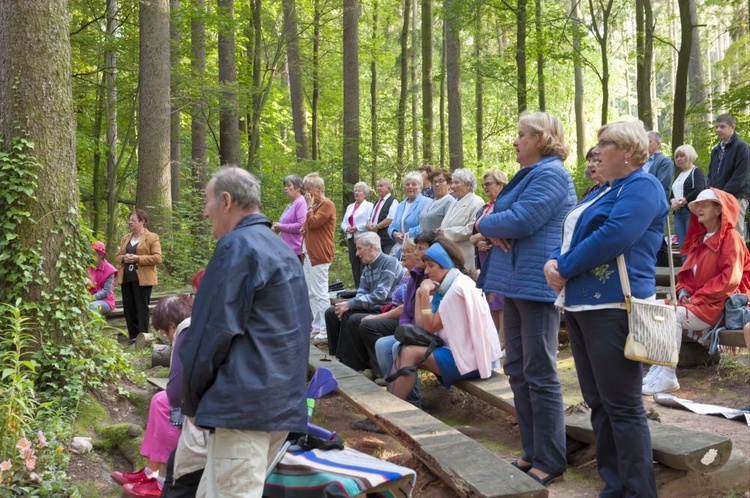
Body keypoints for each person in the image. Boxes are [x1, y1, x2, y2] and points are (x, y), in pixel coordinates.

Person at [545, 119, 664, 497]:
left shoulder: (643, 186)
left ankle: (637, 491)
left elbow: (613, 237)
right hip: (581, 307)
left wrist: (562, 267)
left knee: (623, 405)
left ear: (628, 150)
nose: (597, 151)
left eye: (604, 144)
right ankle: (613, 486)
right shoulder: (603, 190)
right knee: (598, 402)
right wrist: (552, 261)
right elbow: (573, 232)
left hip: (616, 307)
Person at [180, 167, 310, 497]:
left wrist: (190, 401)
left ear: (226, 201)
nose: (204, 211)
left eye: (208, 202)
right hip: (278, 407)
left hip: (243, 411)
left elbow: (211, 332)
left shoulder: (237, 248)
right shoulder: (281, 250)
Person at [477, 111, 575, 486]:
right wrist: (487, 220)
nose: (515, 141)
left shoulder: (551, 174)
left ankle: (550, 458)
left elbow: (519, 221)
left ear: (541, 138)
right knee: (517, 367)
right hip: (515, 281)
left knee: (540, 371)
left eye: (522, 135)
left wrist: (488, 222)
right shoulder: (531, 174)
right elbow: (491, 213)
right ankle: (532, 450)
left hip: (536, 284)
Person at [643, 188, 750, 395]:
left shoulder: (731, 238)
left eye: (704, 204)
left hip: (717, 306)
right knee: (650, 309)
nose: (698, 208)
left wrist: (697, 297)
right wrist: (682, 294)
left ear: (719, 209)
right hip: (695, 303)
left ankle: (667, 374)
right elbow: (686, 277)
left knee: (670, 315)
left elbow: (730, 280)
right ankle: (658, 366)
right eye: (697, 205)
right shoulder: (699, 240)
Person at [387, 238, 502, 401]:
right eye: (427, 266)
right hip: (463, 353)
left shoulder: (456, 290)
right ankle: (385, 410)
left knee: (409, 352)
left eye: (431, 266)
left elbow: (429, 327)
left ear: (446, 265)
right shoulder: (451, 284)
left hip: (471, 360)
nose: (427, 271)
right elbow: (421, 325)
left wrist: (425, 294)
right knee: (404, 348)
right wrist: (421, 292)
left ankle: (389, 411)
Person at [113, 295, 194, 497]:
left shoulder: (186, 330)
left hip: (207, 401)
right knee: (160, 400)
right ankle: (150, 471)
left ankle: (162, 482)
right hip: (200, 392)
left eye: (164, 333)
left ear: (171, 326)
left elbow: (176, 390)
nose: (166, 338)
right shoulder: (194, 326)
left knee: (171, 407)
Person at [325, 232, 406, 356]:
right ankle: (335, 356)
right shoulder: (368, 267)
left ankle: (350, 361)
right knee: (332, 313)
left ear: (371, 247)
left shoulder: (389, 262)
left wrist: (350, 304)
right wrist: (349, 305)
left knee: (351, 317)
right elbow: (361, 293)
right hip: (372, 307)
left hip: (385, 308)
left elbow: (380, 294)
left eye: (359, 249)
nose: (357, 253)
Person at [470, 170, 508, 348]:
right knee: (490, 297)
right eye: (484, 184)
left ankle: (502, 340)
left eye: (489, 184)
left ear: (500, 184)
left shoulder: (505, 204)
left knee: (501, 297)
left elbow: (500, 228)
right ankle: (494, 339)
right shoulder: (485, 206)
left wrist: (479, 237)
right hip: (485, 256)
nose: (485, 188)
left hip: (500, 254)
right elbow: (475, 233)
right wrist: (478, 242)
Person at [115, 209, 162, 344]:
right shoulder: (126, 238)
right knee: (128, 307)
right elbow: (117, 257)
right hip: (126, 278)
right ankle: (133, 337)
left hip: (143, 279)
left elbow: (158, 258)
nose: (130, 223)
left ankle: (144, 337)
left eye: (133, 220)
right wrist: (125, 258)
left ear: (142, 222)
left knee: (141, 307)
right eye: (129, 220)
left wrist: (138, 258)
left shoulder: (152, 237)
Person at [302, 172, 337, 343]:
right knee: (310, 292)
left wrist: (308, 207)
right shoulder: (315, 205)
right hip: (309, 253)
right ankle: (316, 327)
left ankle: (325, 330)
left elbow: (314, 223)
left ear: (320, 188)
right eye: (306, 190)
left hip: (320, 254)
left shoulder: (327, 204)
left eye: (310, 190)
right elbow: (307, 225)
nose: (307, 194)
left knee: (320, 292)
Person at [706, 113, 750, 237]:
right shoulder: (716, 150)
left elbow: (740, 177)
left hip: (736, 196)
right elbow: (711, 175)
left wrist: (723, 195)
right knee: (718, 234)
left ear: (732, 127)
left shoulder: (742, 147)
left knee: (734, 233)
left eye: (722, 126)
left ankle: (737, 257)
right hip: (717, 198)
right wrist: (710, 192)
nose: (718, 130)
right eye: (716, 127)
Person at [437, 168, 486, 273]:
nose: (452, 186)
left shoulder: (477, 202)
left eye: (456, 183)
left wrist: (445, 232)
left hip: (465, 257)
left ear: (468, 185)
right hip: (449, 254)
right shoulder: (454, 202)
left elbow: (471, 229)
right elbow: (446, 223)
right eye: (452, 183)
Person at [669, 144, 706, 254]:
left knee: (692, 245)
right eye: (677, 157)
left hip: (690, 212)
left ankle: (695, 271)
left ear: (689, 156)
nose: (679, 159)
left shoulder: (696, 171)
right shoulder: (679, 175)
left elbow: (698, 189)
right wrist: (672, 201)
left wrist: (682, 201)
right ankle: (684, 270)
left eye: (682, 156)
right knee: (683, 247)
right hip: (678, 213)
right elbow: (672, 193)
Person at [388, 172, 431, 258]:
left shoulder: (427, 202)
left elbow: (425, 225)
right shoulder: (401, 205)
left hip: (415, 247)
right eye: (407, 184)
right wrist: (394, 234)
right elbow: (392, 225)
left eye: (414, 184)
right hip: (398, 248)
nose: (410, 187)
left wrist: (407, 235)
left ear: (420, 187)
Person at [341, 182, 374, 288]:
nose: (356, 193)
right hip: (351, 238)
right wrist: (347, 228)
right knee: (354, 264)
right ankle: (357, 289)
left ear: (365, 194)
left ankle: (365, 288)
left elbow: (369, 221)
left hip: (363, 237)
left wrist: (358, 227)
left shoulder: (369, 205)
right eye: (355, 190)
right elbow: (344, 222)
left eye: (359, 191)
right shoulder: (350, 207)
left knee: (363, 264)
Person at [272, 174, 307, 263]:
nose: (285, 189)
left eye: (288, 186)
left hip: (295, 251)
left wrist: (281, 227)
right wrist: (276, 227)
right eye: (285, 186)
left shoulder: (301, 202)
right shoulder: (291, 204)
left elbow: (301, 226)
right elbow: (284, 224)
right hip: (286, 250)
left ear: (298, 187)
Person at [367, 178, 399, 255]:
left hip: (386, 240)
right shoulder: (377, 202)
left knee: (386, 262)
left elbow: (390, 219)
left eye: (381, 186)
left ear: (388, 188)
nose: (378, 188)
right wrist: (368, 224)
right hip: (375, 239)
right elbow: (371, 217)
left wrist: (376, 227)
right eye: (378, 186)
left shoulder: (393, 201)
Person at [418, 169, 456, 234]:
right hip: (422, 242)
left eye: (441, 181)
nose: (437, 184)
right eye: (434, 182)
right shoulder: (431, 202)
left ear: (449, 184)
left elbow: (449, 227)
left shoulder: (450, 202)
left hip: (437, 242)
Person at [88, 241, 117, 314]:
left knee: (92, 307)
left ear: (101, 255)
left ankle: (95, 325)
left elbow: (106, 291)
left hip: (106, 301)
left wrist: (92, 298)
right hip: (88, 298)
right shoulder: (88, 266)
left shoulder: (110, 270)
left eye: (93, 254)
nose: (91, 256)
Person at [643, 131, 674, 200]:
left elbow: (660, 185)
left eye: (649, 141)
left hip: (654, 204)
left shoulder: (665, 162)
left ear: (657, 144)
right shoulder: (640, 161)